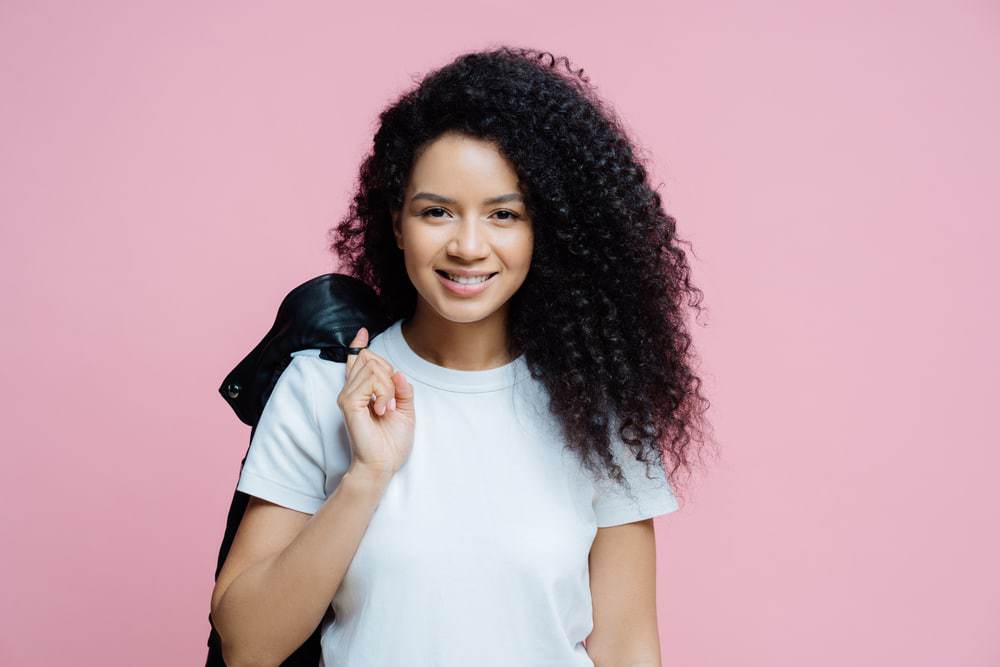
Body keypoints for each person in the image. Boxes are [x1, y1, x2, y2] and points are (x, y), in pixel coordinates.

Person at [209, 46, 712, 666]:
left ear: (543, 231)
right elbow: (247, 646)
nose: (468, 246)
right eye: (437, 211)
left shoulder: (598, 407)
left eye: (504, 214)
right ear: (397, 225)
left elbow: (628, 644)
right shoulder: (320, 390)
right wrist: (365, 477)